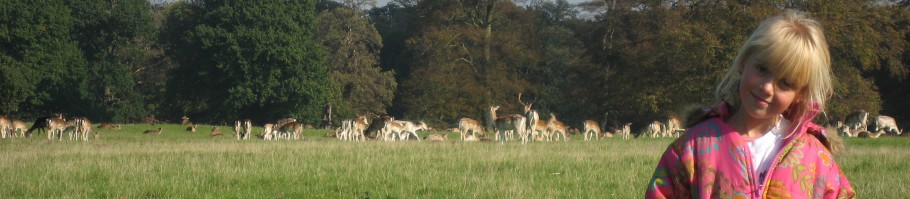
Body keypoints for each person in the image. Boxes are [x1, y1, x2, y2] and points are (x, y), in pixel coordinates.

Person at [645, 10, 854, 198]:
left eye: (785, 83)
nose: (767, 88)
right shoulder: (695, 146)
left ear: (801, 94)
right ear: (744, 62)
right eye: (762, 69)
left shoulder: (815, 157)